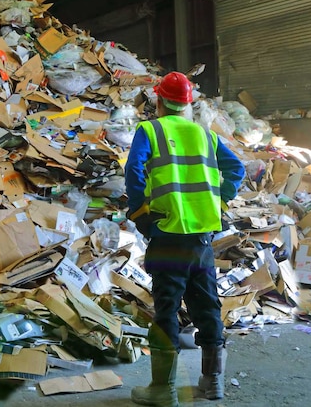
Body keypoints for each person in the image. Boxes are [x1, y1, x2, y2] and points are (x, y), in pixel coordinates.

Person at [124, 72, 245, 407]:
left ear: (159, 101)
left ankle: (163, 390)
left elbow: (133, 172)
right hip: (201, 241)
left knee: (166, 310)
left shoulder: (149, 130)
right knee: (207, 307)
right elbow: (237, 169)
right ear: (189, 104)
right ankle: (212, 383)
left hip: (167, 236)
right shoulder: (206, 135)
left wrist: (140, 215)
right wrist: (220, 202)